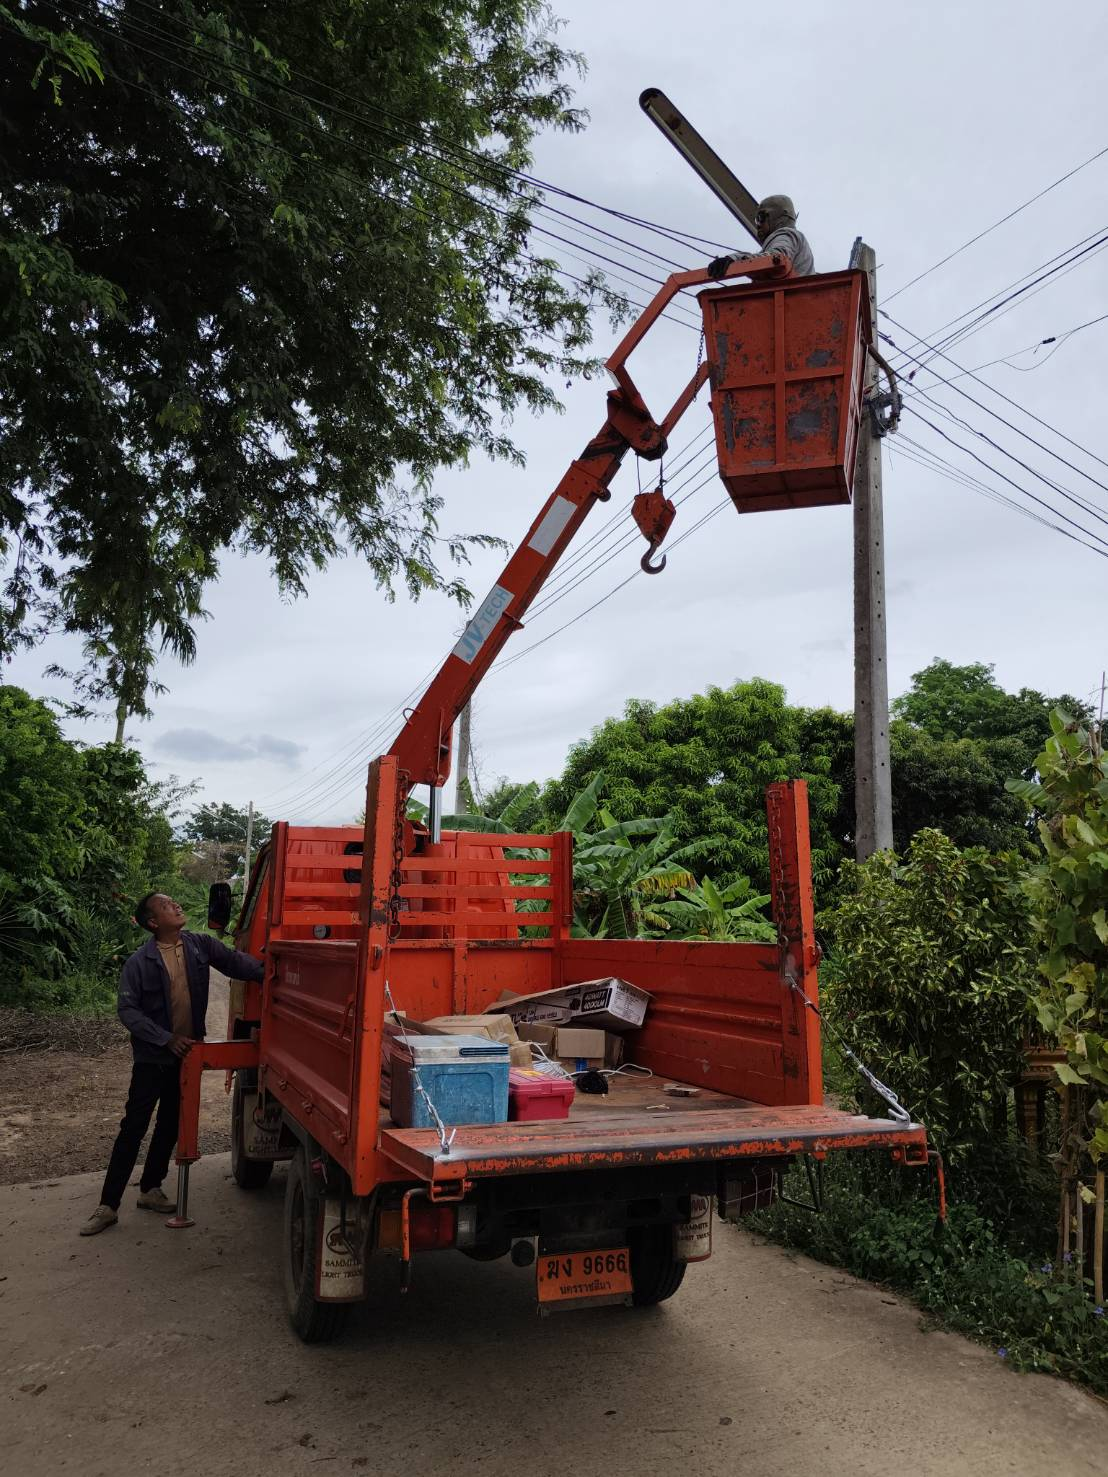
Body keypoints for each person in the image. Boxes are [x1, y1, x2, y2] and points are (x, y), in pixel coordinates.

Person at [79, 892, 264, 1235]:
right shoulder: (139, 962)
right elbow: (128, 1011)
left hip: (186, 1058)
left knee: (168, 1125)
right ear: (153, 923)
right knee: (133, 1127)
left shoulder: (198, 946)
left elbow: (239, 964)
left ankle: (150, 1189)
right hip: (153, 1058)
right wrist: (166, 1038)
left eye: (175, 902)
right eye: (166, 906)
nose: (176, 906)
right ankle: (108, 1205)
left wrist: (276, 972)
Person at [707, 194, 815, 279]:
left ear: (777, 216)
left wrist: (734, 259)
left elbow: (774, 258)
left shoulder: (786, 234)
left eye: (760, 218)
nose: (758, 225)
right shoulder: (794, 239)